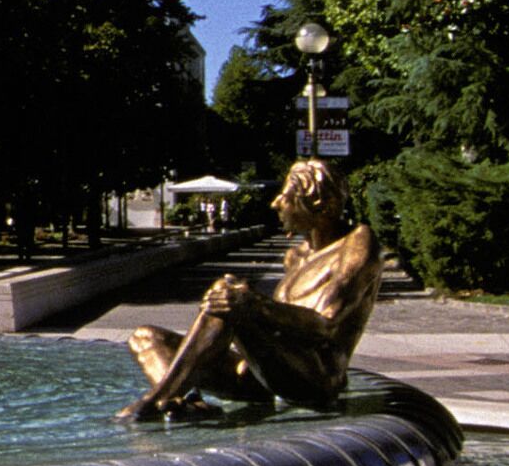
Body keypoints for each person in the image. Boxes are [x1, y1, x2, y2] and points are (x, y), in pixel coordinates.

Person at [120, 160, 380, 419]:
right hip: (267, 374)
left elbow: (326, 325)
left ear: (317, 204)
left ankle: (157, 399)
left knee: (231, 298)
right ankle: (183, 401)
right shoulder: (295, 256)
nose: (276, 203)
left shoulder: (357, 244)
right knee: (145, 337)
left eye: (286, 196)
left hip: (315, 380)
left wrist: (254, 304)